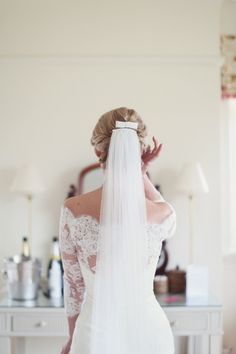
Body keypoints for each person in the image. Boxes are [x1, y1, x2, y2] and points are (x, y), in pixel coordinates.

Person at [59, 107, 177, 354]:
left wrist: (72, 337)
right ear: (138, 151)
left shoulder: (72, 210)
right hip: (151, 334)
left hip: (94, 334)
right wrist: (141, 173)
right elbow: (167, 212)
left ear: (98, 151)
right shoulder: (161, 214)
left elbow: (73, 286)